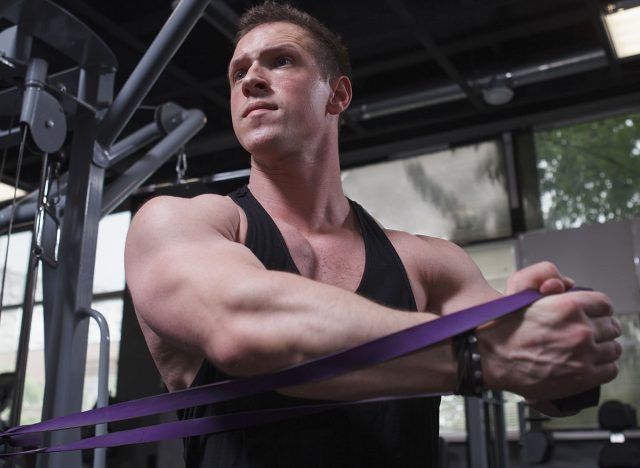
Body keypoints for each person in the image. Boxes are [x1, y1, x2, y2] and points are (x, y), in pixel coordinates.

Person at [124, 2, 622, 467]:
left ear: (337, 94)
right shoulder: (177, 222)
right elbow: (245, 328)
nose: (251, 78)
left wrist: (569, 333)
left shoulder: (427, 263)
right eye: (238, 72)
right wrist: (483, 355)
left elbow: (547, 379)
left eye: (280, 61)